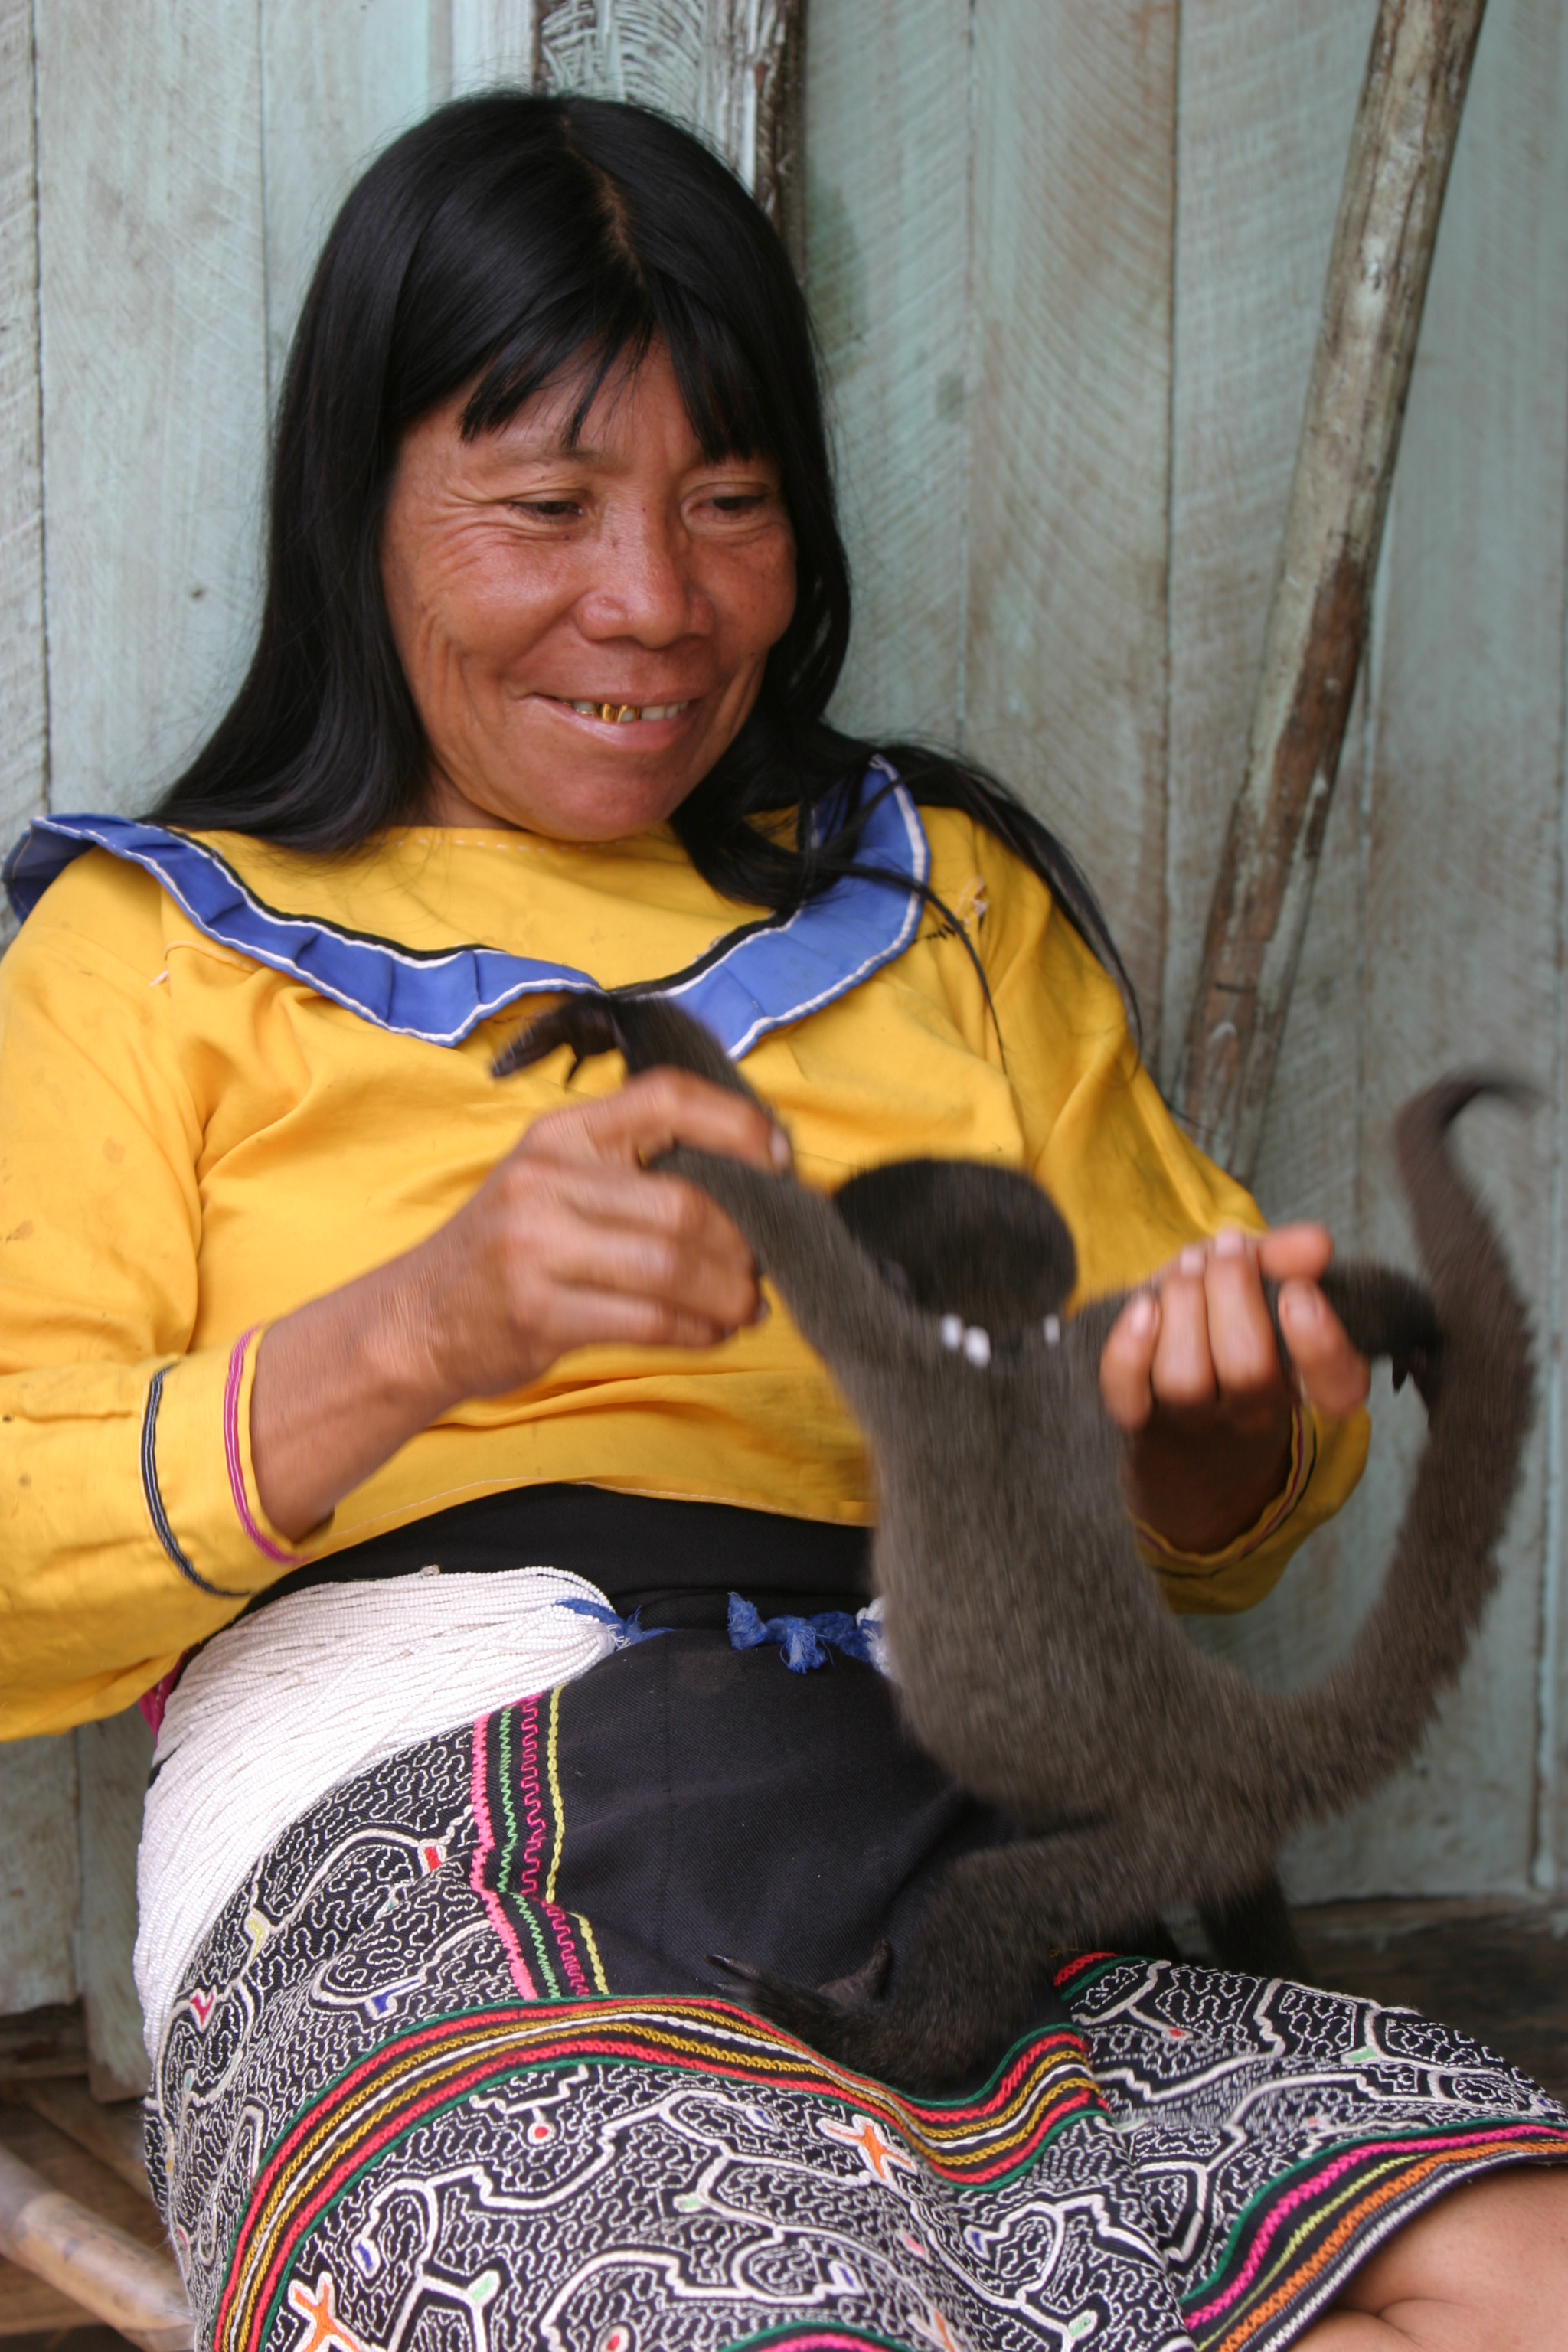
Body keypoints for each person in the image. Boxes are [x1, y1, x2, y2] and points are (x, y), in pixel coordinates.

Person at [0, 91, 1563, 2352]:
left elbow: (1220, 1526)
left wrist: (1205, 1426)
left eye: (728, 506)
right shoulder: (154, 959)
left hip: (981, 1836)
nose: (652, 602)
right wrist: (417, 1335)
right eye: (545, 508)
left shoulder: (938, 907)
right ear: (359, 513)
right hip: (447, 1853)